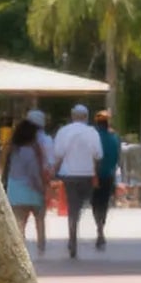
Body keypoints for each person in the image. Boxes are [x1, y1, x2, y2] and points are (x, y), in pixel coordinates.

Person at [50, 103, 102, 259]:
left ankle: (72, 236)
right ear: (86, 117)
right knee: (87, 204)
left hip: (69, 174)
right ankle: (95, 231)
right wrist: (96, 174)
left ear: (73, 116)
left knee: (72, 207)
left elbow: (58, 154)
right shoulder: (92, 133)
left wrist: (54, 172)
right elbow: (98, 155)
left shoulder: (63, 131)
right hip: (86, 173)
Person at [3, 113, 54, 254]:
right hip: (31, 191)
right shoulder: (30, 151)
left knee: (19, 224)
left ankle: (20, 252)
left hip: (15, 191)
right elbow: (33, 173)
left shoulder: (13, 150)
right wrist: (41, 188)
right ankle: (41, 248)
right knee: (39, 221)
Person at [90, 109, 122, 248]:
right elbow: (117, 157)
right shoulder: (114, 137)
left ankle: (99, 226)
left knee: (94, 202)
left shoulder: (92, 136)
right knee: (104, 202)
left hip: (93, 174)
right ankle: (101, 226)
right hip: (109, 174)